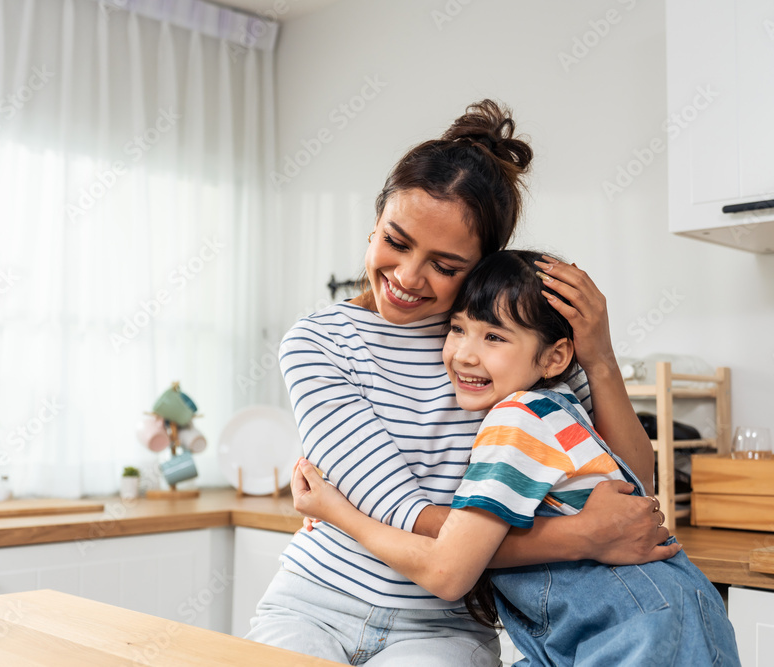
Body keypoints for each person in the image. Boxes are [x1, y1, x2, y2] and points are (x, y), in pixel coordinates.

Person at [245, 100, 680, 666]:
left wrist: (599, 357)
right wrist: (582, 537)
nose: (406, 277)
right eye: (396, 241)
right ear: (375, 221)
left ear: (481, 267)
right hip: (313, 603)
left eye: (445, 266)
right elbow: (402, 512)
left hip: (444, 631)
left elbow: (629, 485)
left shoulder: (508, 348)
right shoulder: (316, 343)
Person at [291, 249, 741, 667]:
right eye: (457, 328)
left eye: (494, 337)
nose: (465, 354)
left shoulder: (516, 421)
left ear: (555, 357)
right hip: (654, 615)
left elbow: (447, 572)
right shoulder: (554, 408)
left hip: (639, 631)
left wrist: (335, 511)